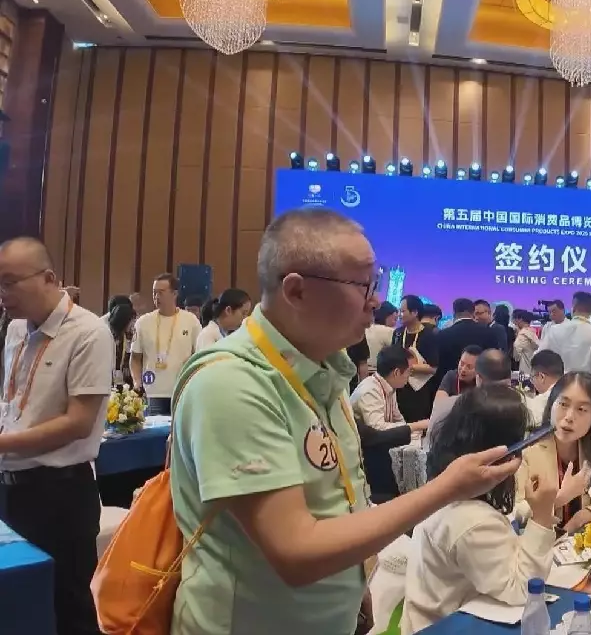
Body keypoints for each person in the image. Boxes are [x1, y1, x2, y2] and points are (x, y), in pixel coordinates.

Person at [167, 209, 521, 635]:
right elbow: (296, 552)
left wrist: (357, 583)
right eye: (362, 285)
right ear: (296, 291)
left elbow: (337, 498)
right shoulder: (232, 383)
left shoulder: (324, 372)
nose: (375, 300)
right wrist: (446, 488)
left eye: (376, 281)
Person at [0, 237, 114, 635]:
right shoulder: (16, 329)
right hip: (11, 487)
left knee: (70, 608)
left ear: (49, 278)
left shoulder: (89, 332)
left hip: (60, 493)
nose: (3, 294)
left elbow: (77, 423)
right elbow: (15, 403)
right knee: (17, 604)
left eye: (10, 282)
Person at [402, 384, 557, 634]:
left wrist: (540, 507)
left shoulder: (446, 486)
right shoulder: (471, 519)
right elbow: (523, 588)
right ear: (504, 452)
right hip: (450, 627)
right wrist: (541, 516)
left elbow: (502, 520)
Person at [514, 371, 591, 534]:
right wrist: (560, 498)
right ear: (551, 405)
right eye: (563, 404)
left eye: (581, 409)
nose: (569, 417)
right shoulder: (528, 452)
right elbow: (516, 515)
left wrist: (583, 516)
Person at [351, 346, 430, 502]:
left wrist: (410, 430)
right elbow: (377, 429)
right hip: (365, 454)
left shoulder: (389, 386)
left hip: (379, 447)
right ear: (396, 372)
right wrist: (415, 426)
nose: (409, 376)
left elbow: (397, 418)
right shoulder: (370, 390)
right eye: (409, 372)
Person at [130, 273, 202, 415]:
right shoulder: (143, 322)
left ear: (174, 294)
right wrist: (137, 382)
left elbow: (199, 354)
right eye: (154, 293)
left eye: (161, 293)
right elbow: (135, 358)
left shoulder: (191, 321)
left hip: (182, 390)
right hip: (152, 392)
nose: (156, 297)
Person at [393, 294, 439, 423]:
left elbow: (433, 368)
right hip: (398, 389)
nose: (399, 315)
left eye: (403, 311)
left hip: (419, 391)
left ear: (414, 312)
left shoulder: (429, 335)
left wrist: (409, 367)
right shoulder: (398, 333)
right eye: (399, 311)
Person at [538, 291, 591, 376]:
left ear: (573, 308)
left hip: (559, 382)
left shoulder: (553, 330)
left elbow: (539, 357)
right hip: (585, 383)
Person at [437, 299, 497, 380]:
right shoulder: (489, 332)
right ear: (473, 312)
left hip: (451, 383)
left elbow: (439, 365)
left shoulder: (443, 334)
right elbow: (493, 360)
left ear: (454, 313)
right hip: (481, 381)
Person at [526, 349, 565, 427]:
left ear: (542, 377)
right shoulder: (573, 391)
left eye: (532, 378)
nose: (533, 382)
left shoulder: (539, 404)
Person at [107, 300, 136, 389]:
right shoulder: (107, 334)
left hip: (120, 381)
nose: (133, 325)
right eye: (131, 321)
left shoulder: (125, 336)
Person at [364, 301, 398, 374]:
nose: (395, 323)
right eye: (395, 319)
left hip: (361, 370)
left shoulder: (366, 328)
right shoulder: (389, 331)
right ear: (386, 316)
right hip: (377, 373)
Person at [512, 309, 540, 375]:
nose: (515, 322)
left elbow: (516, 347)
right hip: (534, 365)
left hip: (524, 366)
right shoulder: (532, 332)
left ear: (520, 320)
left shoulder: (522, 334)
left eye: (516, 319)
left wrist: (516, 358)